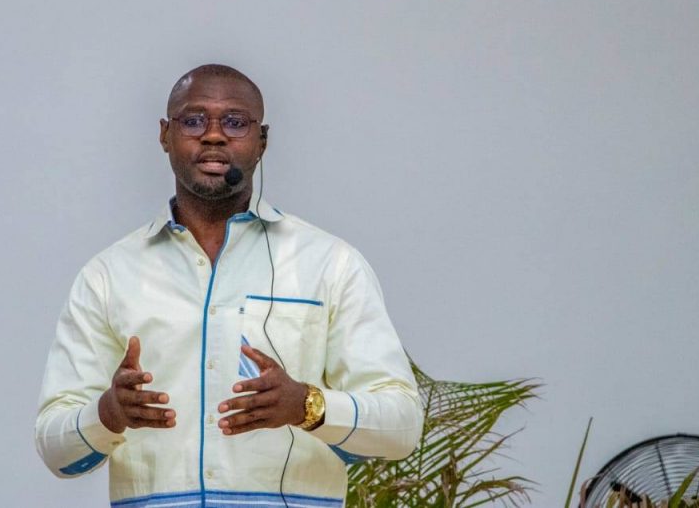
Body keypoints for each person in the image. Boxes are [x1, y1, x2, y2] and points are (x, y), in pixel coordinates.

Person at [36, 64, 424, 508]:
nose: (214, 135)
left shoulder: (331, 265)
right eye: (194, 120)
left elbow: (402, 427)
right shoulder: (107, 275)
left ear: (262, 141)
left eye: (236, 122)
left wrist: (307, 406)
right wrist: (109, 413)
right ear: (165, 135)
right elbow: (54, 448)